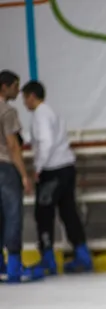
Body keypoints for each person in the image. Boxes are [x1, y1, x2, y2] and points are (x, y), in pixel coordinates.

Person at [21, 80, 93, 275]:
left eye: (24, 98)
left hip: (52, 170)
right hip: (66, 167)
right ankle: (83, 256)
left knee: (43, 213)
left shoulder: (40, 114)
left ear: (31, 96)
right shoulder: (51, 112)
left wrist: (38, 167)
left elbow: (46, 141)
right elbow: (42, 137)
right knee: (68, 212)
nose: (24, 103)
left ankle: (47, 260)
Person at [0, 70, 44, 283]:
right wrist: (24, 175)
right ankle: (15, 267)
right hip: (6, 169)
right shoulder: (7, 111)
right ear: (5, 86)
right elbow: (12, 145)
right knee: (12, 215)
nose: (18, 91)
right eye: (15, 87)